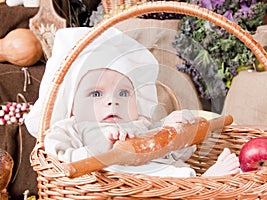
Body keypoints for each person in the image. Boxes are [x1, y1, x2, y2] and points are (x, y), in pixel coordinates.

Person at [25, 27, 240, 177]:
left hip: (162, 182)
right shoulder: (69, 128)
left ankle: (202, 185)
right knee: (126, 172)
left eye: (124, 93)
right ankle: (202, 189)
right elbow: (60, 159)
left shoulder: (143, 125)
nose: (112, 101)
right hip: (111, 184)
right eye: (96, 94)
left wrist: (174, 128)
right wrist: (102, 145)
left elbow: (170, 151)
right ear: (71, 105)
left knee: (173, 171)